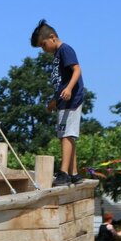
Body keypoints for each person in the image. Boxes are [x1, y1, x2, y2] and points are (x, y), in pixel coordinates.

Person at [30, 19, 85, 186]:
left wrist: (68, 89)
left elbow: (77, 70)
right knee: (65, 135)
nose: (43, 49)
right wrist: (54, 100)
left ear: (52, 37)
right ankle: (73, 173)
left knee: (67, 135)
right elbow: (61, 81)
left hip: (72, 99)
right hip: (63, 101)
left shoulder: (65, 50)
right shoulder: (57, 55)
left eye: (43, 45)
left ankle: (63, 173)